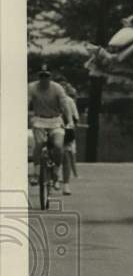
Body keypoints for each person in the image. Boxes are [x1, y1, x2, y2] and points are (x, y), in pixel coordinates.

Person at [28, 65, 73, 194]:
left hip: (55, 120)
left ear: (50, 77)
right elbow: (26, 102)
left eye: (46, 76)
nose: (44, 79)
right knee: (39, 143)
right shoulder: (32, 87)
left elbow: (65, 106)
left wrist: (69, 121)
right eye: (41, 76)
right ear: (39, 77)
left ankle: (56, 172)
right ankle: (36, 172)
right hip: (39, 119)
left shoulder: (57, 88)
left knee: (58, 146)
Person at [61, 82, 81, 181]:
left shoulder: (68, 100)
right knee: (71, 152)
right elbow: (76, 116)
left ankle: (74, 173)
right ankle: (75, 173)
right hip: (67, 127)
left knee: (69, 151)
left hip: (64, 126)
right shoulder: (69, 101)